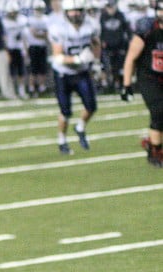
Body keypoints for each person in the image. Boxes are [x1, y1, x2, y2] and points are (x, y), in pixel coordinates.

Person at [49, 0, 101, 155]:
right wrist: (78, 59)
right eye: (72, 11)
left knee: (91, 106)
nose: (75, 14)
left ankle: (80, 127)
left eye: (78, 10)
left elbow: (96, 43)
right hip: (63, 73)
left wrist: (96, 62)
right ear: (66, 12)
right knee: (65, 111)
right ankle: (62, 141)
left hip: (82, 73)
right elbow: (57, 56)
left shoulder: (91, 25)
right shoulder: (58, 28)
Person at [121, 0, 163, 166]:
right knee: (159, 111)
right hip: (149, 77)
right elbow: (131, 58)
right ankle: (155, 150)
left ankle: (153, 142)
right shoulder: (147, 30)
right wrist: (126, 85)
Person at [98, 0, 131, 93]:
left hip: (119, 45)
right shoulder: (102, 16)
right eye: (108, 6)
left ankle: (119, 84)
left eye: (111, 6)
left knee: (119, 67)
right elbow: (99, 31)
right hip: (107, 46)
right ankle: (106, 85)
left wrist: (127, 42)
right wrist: (101, 42)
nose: (110, 9)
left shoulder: (121, 15)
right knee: (106, 67)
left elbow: (127, 30)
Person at [25, 0, 51, 97]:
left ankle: (42, 87)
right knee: (33, 69)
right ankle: (32, 88)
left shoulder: (46, 19)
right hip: (33, 46)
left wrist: (39, 34)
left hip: (42, 46)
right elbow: (32, 34)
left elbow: (47, 34)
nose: (39, 11)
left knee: (42, 68)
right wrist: (41, 34)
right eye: (37, 9)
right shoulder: (30, 19)